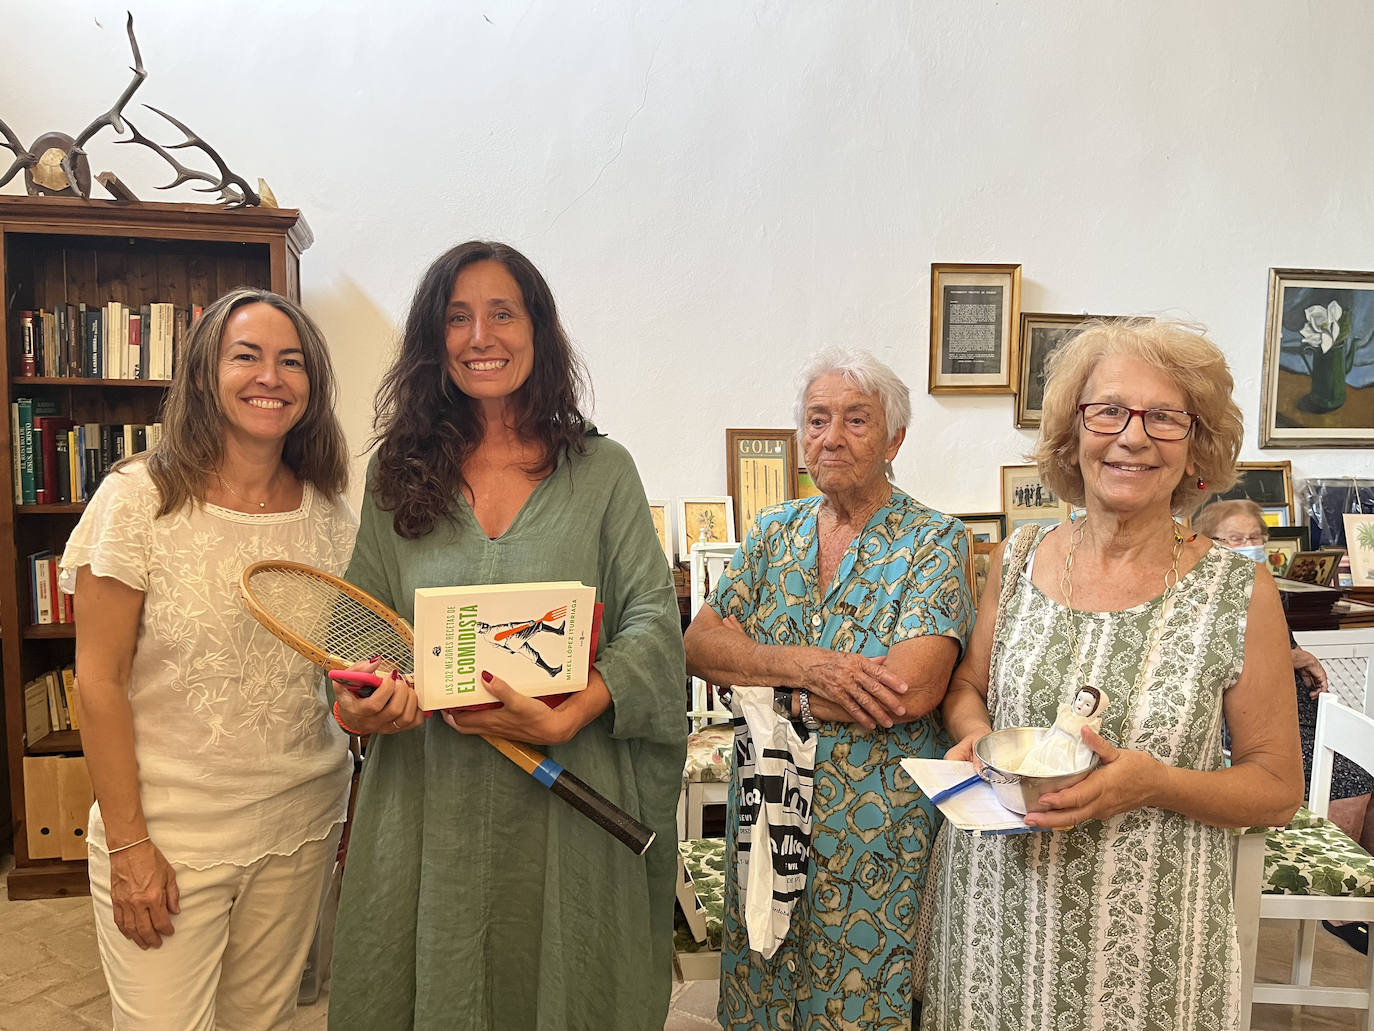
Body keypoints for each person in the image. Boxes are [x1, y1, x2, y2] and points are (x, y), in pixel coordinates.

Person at [327, 241, 686, 1030]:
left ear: (538, 329)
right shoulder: (398, 470)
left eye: (501, 312)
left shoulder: (602, 471)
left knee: (559, 983)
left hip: (564, 791)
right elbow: (360, 621)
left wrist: (571, 711)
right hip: (430, 801)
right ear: (433, 339)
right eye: (457, 317)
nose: (479, 335)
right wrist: (362, 701)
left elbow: (654, 623)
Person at [925, 319, 1303, 1030]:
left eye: (1164, 416)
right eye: (1109, 410)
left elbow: (1278, 787)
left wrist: (1152, 780)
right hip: (995, 925)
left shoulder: (1237, 592)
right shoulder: (1017, 556)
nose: (1133, 436)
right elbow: (967, 688)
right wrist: (977, 737)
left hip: (1148, 954)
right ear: (1073, 432)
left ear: (1197, 443)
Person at [60, 288, 356, 1029]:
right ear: (203, 375)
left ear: (311, 385)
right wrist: (129, 845)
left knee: (261, 1022)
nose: (271, 377)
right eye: (246, 356)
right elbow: (97, 681)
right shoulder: (138, 499)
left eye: (292, 362)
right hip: (169, 833)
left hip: (300, 821)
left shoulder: (329, 514)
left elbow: (343, 674)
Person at [683, 346, 972, 1030]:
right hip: (768, 806)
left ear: (895, 437)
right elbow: (699, 644)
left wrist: (765, 683)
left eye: (855, 419)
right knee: (766, 979)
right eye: (816, 419)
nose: (830, 436)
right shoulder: (771, 532)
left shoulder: (935, 541)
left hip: (877, 823)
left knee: (864, 994)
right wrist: (810, 667)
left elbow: (906, 688)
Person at [1194, 497, 1374, 953]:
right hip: (1246, 731)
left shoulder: (1262, 587)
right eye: (1236, 539)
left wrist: (1297, 656)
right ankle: (1334, 908)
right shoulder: (1206, 591)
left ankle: (1357, 894)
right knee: (1353, 778)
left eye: (1256, 538)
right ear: (1208, 542)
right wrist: (1295, 656)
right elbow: (1227, 661)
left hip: (1297, 715)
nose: (1250, 546)